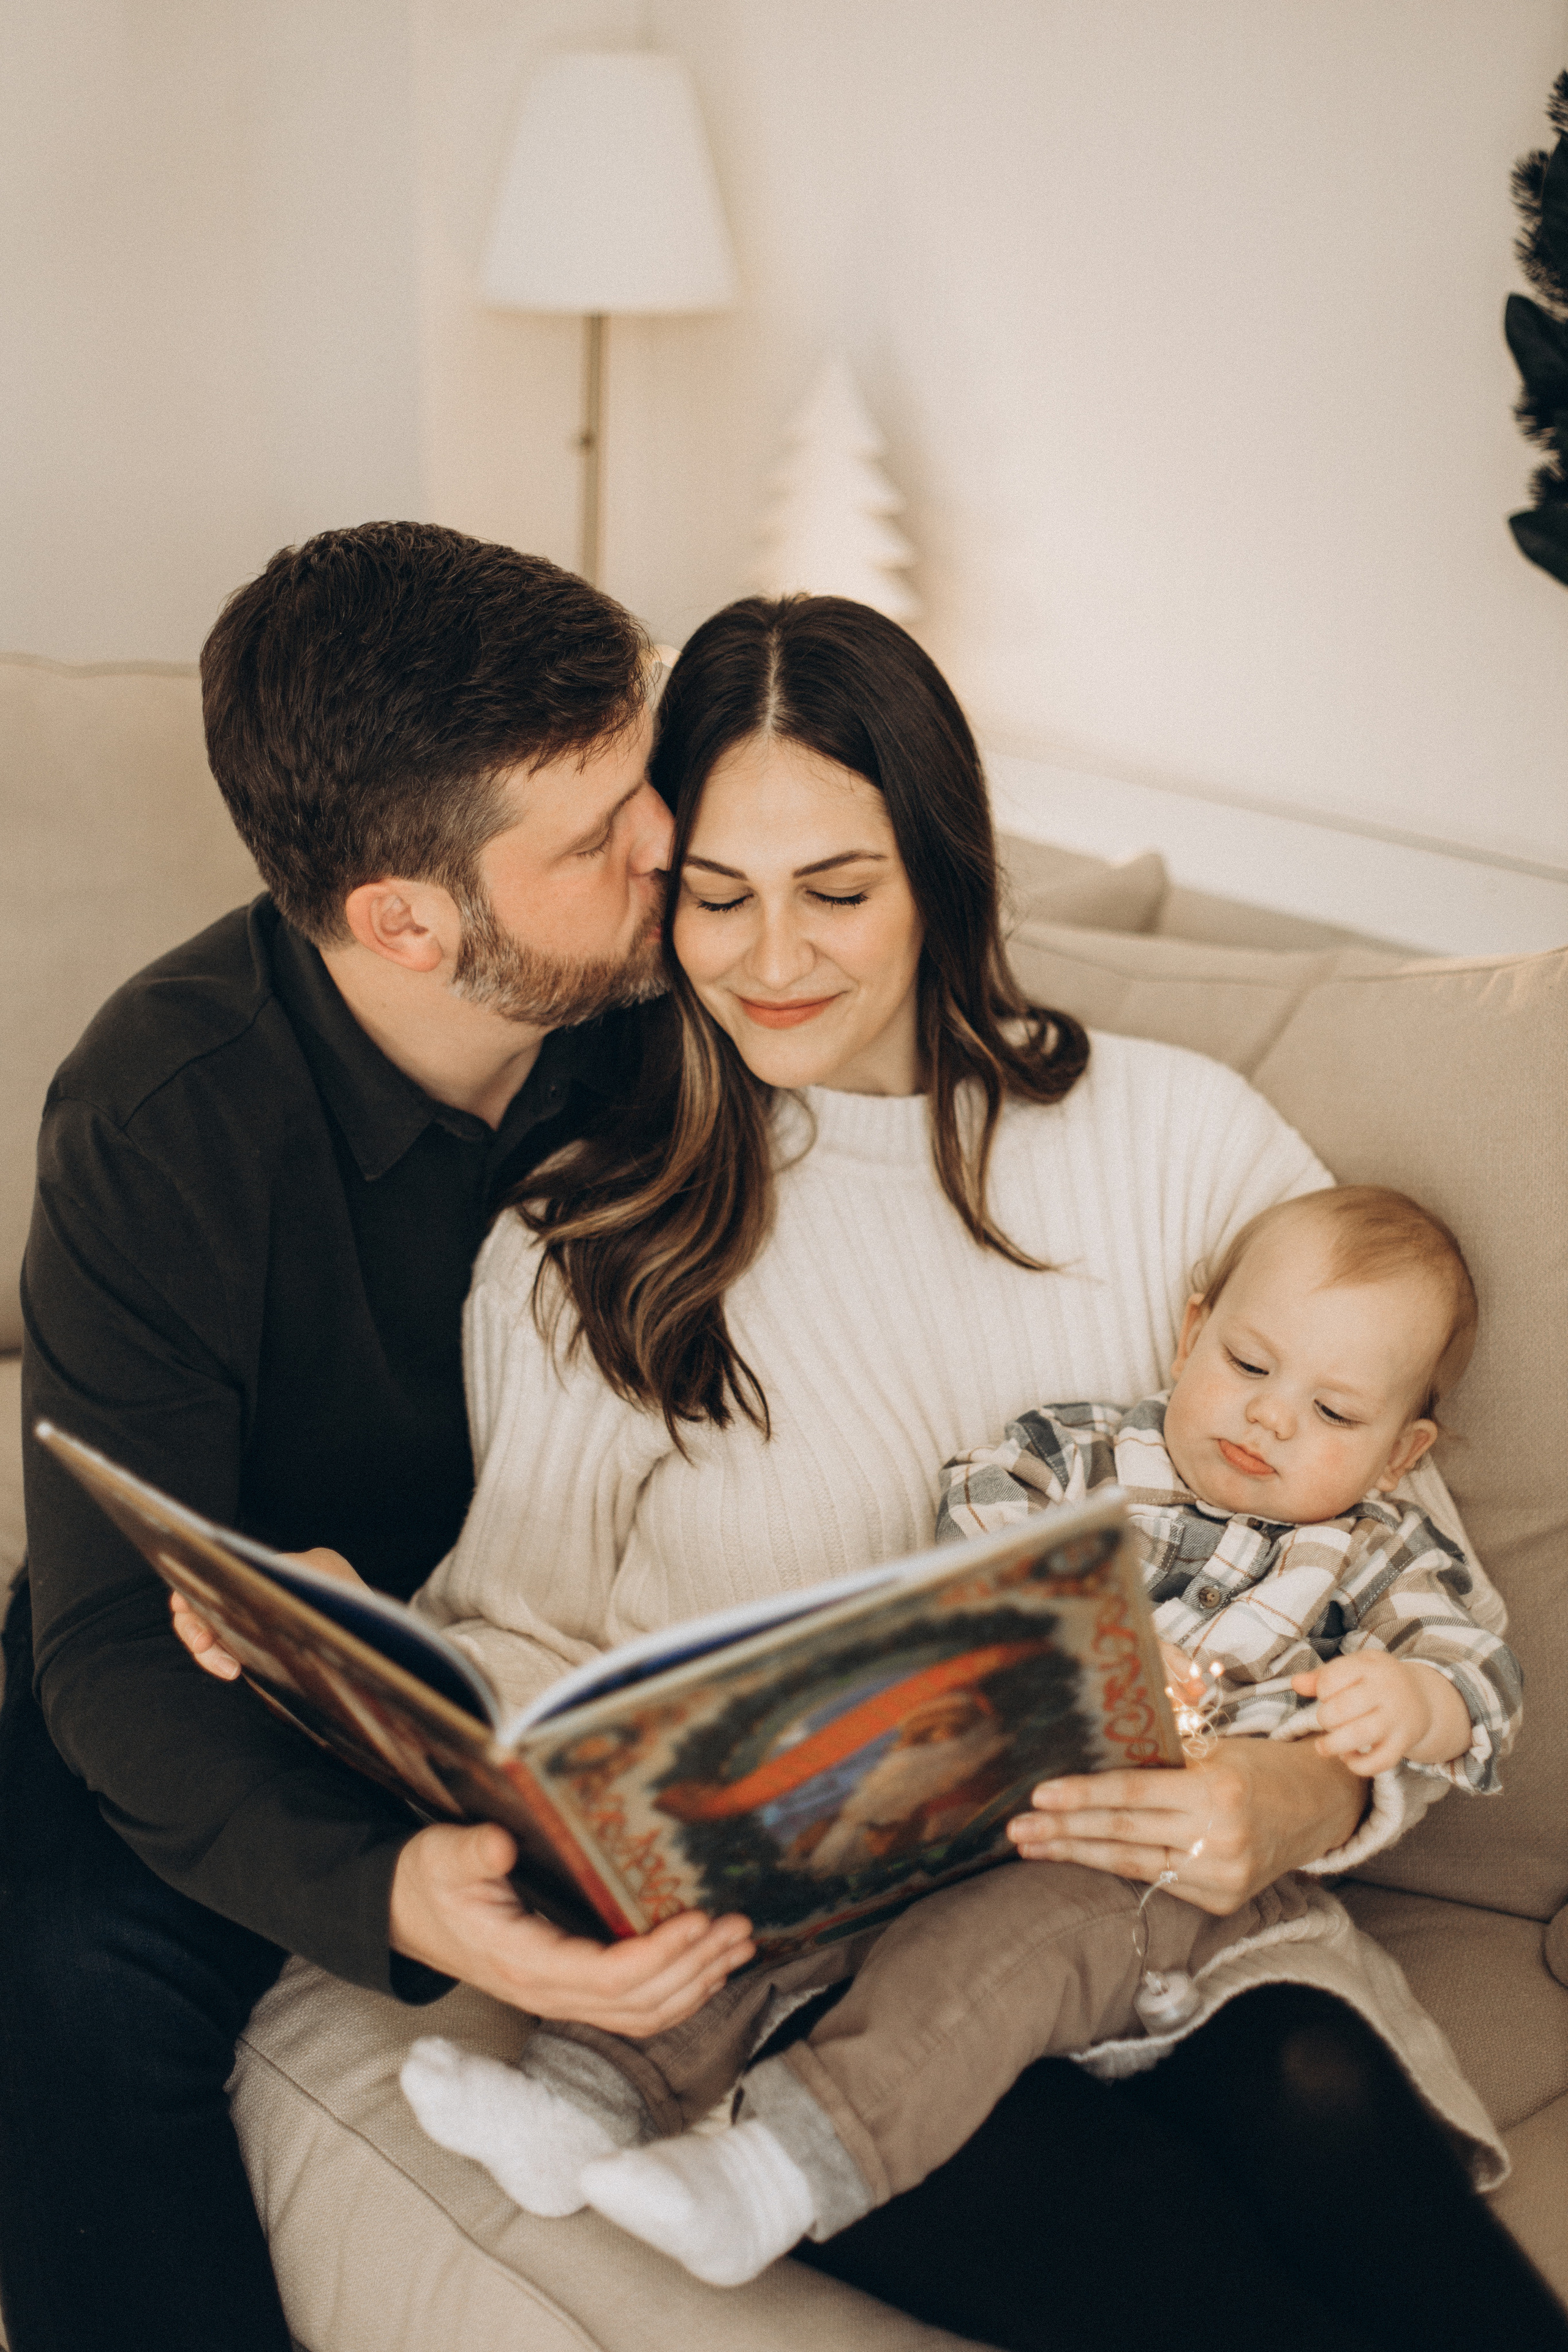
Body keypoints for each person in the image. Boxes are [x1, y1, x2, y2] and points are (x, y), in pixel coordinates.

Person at [361, 592, 1564, 2350]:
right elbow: (522, 1643)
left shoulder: (1181, 1142)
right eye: (718, 892)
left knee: (1316, 2089)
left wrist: (1298, 1797)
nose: (775, 955)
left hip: (1179, 1917)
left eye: (838, 889)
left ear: (942, 871)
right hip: (831, 1962)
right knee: (1126, 2233)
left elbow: (1400, 1557)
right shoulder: (586, 1248)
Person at [0, 523, 752, 2352]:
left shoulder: (694, 1006)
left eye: (642, 779)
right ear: (405, 921)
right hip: (259, 1671)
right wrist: (388, 1889)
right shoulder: (157, 1116)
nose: (672, 843)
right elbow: (108, 1631)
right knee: (64, 1985)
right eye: (595, 836)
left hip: (588, 1652)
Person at [399, 1182, 1521, 2287]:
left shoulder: (1376, 1554)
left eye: (1335, 1414)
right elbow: (976, 1553)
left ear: (1400, 1451)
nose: (1273, 1418)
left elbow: (1476, 1671)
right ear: (1192, 1331)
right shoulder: (1076, 1455)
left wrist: (1411, 1701)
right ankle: (581, 2096)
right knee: (773, 1874)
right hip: (976, 1796)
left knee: (987, 1951)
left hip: (1156, 1876)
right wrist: (1080, 1635)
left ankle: (784, 2167)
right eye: (1249, 1365)